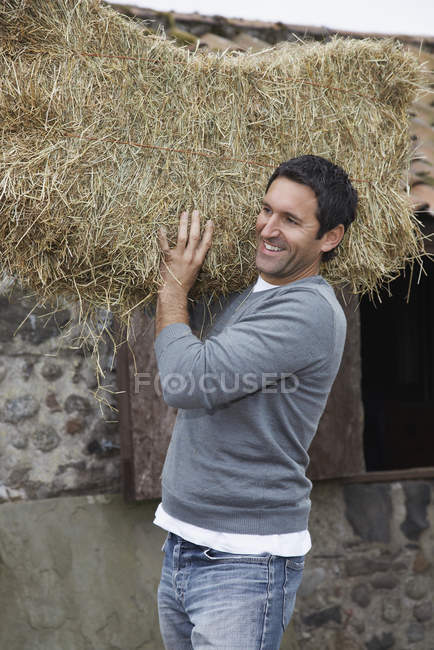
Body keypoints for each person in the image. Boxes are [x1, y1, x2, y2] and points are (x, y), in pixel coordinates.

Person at [152, 155, 358, 649]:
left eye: (290, 220)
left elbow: (184, 382)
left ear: (330, 237)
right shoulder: (246, 295)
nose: (268, 228)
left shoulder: (307, 310)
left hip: (245, 561)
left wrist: (175, 284)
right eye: (266, 210)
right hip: (183, 541)